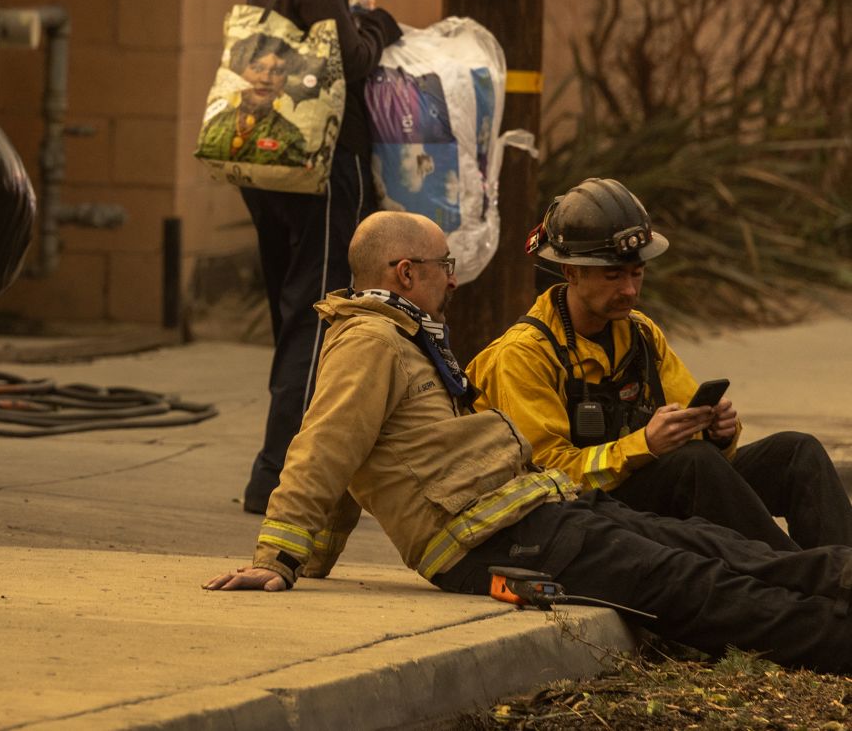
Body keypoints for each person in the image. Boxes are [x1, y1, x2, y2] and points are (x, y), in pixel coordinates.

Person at [204, 211, 852, 676]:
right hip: (498, 539)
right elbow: (325, 447)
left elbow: (356, 460)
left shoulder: (398, 337)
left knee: (717, 546)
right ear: (404, 271)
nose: (453, 280)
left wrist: (311, 557)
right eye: (443, 266)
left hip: (540, 514)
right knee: (694, 583)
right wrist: (278, 554)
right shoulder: (371, 342)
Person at [468, 177, 852, 550]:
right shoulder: (524, 354)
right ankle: (804, 578)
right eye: (613, 276)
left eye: (637, 273)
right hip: (576, 511)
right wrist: (645, 444)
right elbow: (549, 475)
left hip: (645, 486)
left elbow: (693, 423)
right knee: (694, 464)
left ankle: (843, 571)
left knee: (796, 453)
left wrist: (717, 430)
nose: (629, 290)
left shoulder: (641, 334)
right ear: (572, 272)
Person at [238, 0, 403, 513]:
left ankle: (275, 467)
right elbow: (352, 58)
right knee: (319, 312)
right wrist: (377, 21)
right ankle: (280, 476)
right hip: (323, 162)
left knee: (293, 311)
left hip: (268, 161)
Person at [197, 35, 309, 166]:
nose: (265, 79)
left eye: (277, 71)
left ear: (284, 82)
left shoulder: (291, 137)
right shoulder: (215, 124)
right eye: (257, 68)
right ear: (238, 72)